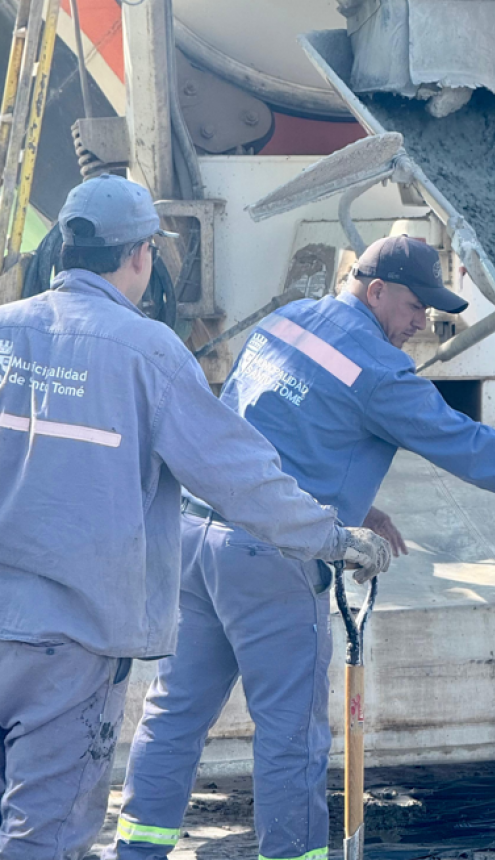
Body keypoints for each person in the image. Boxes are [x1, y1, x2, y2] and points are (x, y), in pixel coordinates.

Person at [107, 234, 495, 860]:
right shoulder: (380, 372)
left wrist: (355, 504)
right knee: (288, 737)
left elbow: (259, 430)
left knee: (173, 717)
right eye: (416, 308)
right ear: (377, 290)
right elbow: (465, 444)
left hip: (197, 542)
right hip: (272, 562)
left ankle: (136, 851)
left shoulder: (284, 320)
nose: (422, 325)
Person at [0, 175, 391, 860]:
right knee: (45, 832)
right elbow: (239, 479)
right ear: (144, 255)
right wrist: (332, 537)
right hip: (69, 639)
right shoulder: (146, 351)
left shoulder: (6, 331)